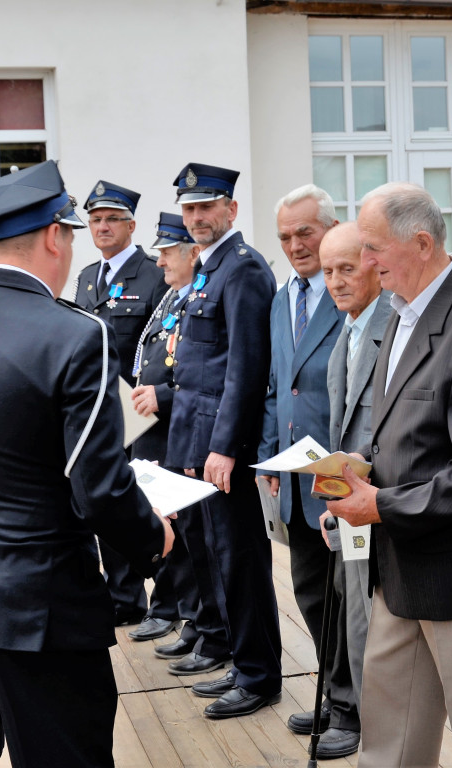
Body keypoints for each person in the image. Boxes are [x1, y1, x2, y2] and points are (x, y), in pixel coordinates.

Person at [0, 160, 173, 768]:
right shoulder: (75, 334)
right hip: (41, 607)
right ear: (54, 236)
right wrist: (154, 538)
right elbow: (96, 486)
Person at [326, 182, 452, 768]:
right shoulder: (399, 311)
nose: (364, 265)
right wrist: (353, 477)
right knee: (390, 740)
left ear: (420, 242)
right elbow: (404, 434)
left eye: (372, 249)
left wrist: (379, 506)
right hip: (397, 572)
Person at [167, 162, 281, 718]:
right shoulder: (209, 269)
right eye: (189, 209)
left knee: (240, 559)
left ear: (231, 210)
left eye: (206, 207)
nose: (196, 218)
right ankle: (241, 659)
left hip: (223, 448)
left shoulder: (243, 270)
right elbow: (197, 369)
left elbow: (245, 367)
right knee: (216, 557)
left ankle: (260, 676)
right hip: (200, 441)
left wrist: (225, 447)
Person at [256, 185, 361, 759]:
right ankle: (331, 690)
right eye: (286, 237)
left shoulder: (351, 293)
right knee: (313, 595)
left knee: (348, 599)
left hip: (340, 476)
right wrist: (272, 453)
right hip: (293, 480)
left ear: (331, 226)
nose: (296, 245)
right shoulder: (280, 300)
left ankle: (352, 708)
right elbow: (280, 385)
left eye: (305, 232)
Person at [128, 212, 230, 668]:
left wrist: (163, 395)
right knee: (183, 535)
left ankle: (206, 628)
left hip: (181, 432)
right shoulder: (174, 298)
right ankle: (195, 621)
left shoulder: (200, 298)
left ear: (193, 252)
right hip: (158, 434)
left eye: (168, 251)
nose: (161, 260)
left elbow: (204, 375)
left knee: (196, 541)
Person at [72, 179, 166, 627]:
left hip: (139, 411)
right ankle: (125, 600)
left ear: (132, 224)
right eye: (95, 220)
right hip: (96, 410)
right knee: (103, 502)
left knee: (148, 503)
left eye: (112, 219)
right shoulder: (88, 277)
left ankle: (166, 602)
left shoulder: (153, 274)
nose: (103, 227)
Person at [319, 220, 392, 724]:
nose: (336, 282)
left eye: (346, 268)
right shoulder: (348, 327)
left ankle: (378, 733)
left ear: (374, 263)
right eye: (328, 272)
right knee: (355, 622)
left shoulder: (392, 327)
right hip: (349, 505)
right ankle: (368, 731)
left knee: (378, 633)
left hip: (383, 506)